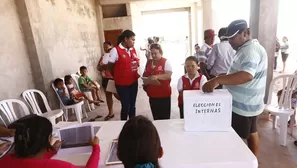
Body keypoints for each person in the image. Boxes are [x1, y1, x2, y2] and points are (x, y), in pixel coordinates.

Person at [202, 19, 267, 157]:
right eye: (228, 38)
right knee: (251, 132)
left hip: (243, 106)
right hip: (249, 103)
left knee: (237, 139)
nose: (230, 42)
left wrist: (218, 80)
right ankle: (252, 162)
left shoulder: (250, 50)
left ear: (245, 33)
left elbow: (247, 75)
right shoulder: (245, 48)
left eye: (232, 38)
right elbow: (242, 72)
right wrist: (222, 76)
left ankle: (240, 162)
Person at [0, 115, 100, 168]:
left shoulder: (5, 160)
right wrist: (96, 148)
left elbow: (30, 161)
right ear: (48, 139)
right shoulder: (56, 166)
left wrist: (52, 150)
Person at [108, 30, 140, 120]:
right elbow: (110, 66)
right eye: (132, 40)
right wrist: (117, 75)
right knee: (126, 106)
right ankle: (123, 125)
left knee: (133, 106)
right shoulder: (115, 50)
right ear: (126, 39)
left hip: (133, 81)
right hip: (122, 84)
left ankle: (132, 124)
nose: (134, 42)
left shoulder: (133, 49)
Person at [143, 44, 172, 120]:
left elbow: (168, 75)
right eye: (152, 53)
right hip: (152, 95)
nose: (153, 55)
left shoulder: (165, 62)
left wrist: (157, 77)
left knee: (164, 118)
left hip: (163, 94)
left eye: (155, 53)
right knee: (156, 117)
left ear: (160, 52)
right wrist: (145, 80)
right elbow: (146, 74)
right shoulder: (149, 62)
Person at [97, 41, 120, 121]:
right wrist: (102, 68)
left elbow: (113, 66)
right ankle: (111, 113)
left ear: (111, 46)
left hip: (112, 78)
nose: (105, 49)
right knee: (108, 96)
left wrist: (104, 67)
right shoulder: (103, 56)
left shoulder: (114, 55)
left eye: (107, 47)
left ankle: (127, 107)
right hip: (105, 79)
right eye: (104, 47)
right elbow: (98, 67)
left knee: (118, 95)